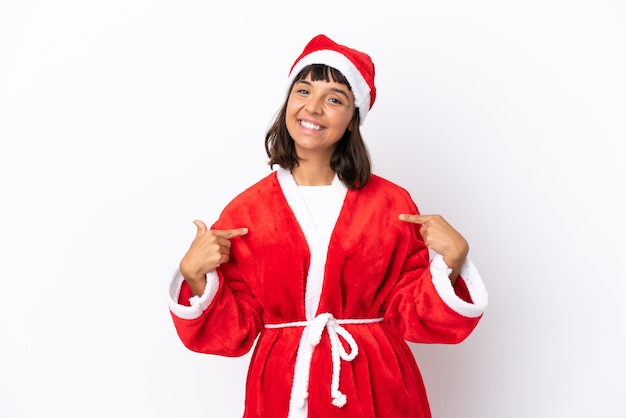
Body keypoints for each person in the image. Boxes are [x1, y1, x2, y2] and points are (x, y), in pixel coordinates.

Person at [167, 34, 488, 418]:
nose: (313, 107)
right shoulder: (247, 211)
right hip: (285, 388)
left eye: (334, 99)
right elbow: (235, 332)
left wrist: (452, 260)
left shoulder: (391, 205)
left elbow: (411, 316)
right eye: (303, 91)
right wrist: (194, 275)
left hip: (376, 386)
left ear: (354, 119)